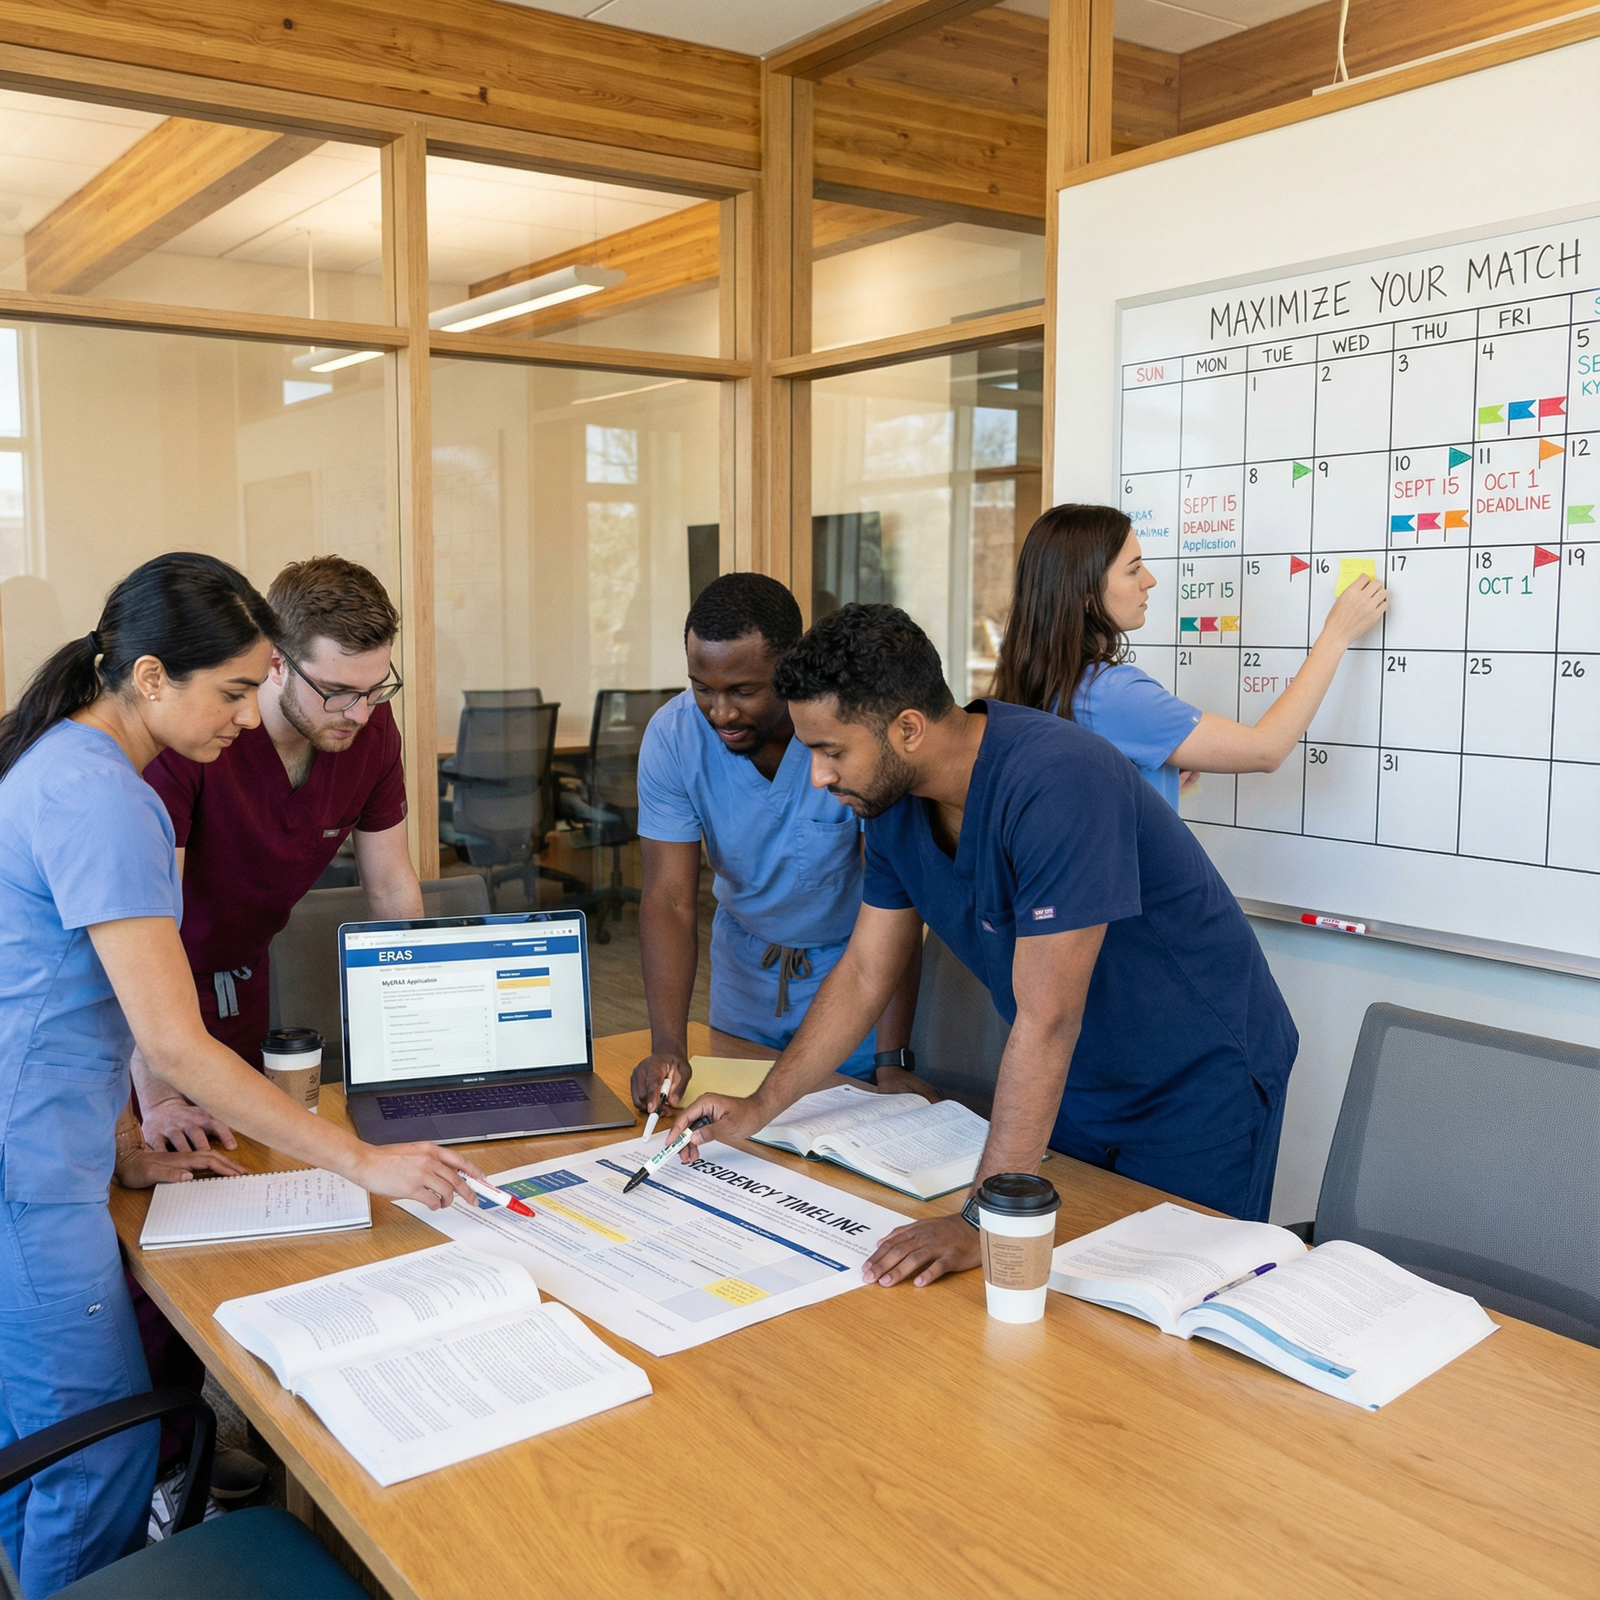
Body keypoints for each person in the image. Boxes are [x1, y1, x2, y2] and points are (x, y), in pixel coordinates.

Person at [0, 553, 482, 1596]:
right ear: (149, 676)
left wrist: (125, 1142)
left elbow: (41, 994)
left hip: (46, 1137)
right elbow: (169, 1044)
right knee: (96, 1458)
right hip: (27, 1169)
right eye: (230, 689)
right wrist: (362, 1160)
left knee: (42, 1445)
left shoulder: (63, 765)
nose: (243, 714)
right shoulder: (111, 799)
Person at [665, 603, 1298, 1290]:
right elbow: (867, 969)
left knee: (1169, 1304)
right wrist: (760, 1107)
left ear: (907, 728)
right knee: (1055, 1294)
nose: (817, 776)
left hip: (1199, 1079)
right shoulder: (891, 803)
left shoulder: (1058, 780)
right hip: (1079, 1083)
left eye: (831, 750)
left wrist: (979, 1221)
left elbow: (1047, 1016)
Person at [132, 556, 423, 1153]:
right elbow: (149, 927)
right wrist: (156, 1093)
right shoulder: (194, 739)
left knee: (244, 1163)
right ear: (274, 663)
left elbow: (392, 890)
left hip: (243, 984)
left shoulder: (370, 730)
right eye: (338, 692)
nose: (360, 714)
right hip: (143, 1002)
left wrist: (416, 1034)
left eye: (375, 690)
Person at [630, 574, 919, 1113]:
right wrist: (668, 1046)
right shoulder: (673, 737)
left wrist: (891, 1060)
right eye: (702, 687)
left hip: (853, 973)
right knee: (735, 1142)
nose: (719, 712)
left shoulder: (850, 738)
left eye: (743, 691)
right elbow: (668, 898)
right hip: (743, 971)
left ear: (789, 668)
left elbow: (894, 903)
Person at [991, 503, 1388, 808]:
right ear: (1086, 594)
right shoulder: (1111, 692)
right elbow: (1266, 749)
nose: (1150, 580)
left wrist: (1150, 783)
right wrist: (1336, 636)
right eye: (1133, 570)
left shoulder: (1033, 682)